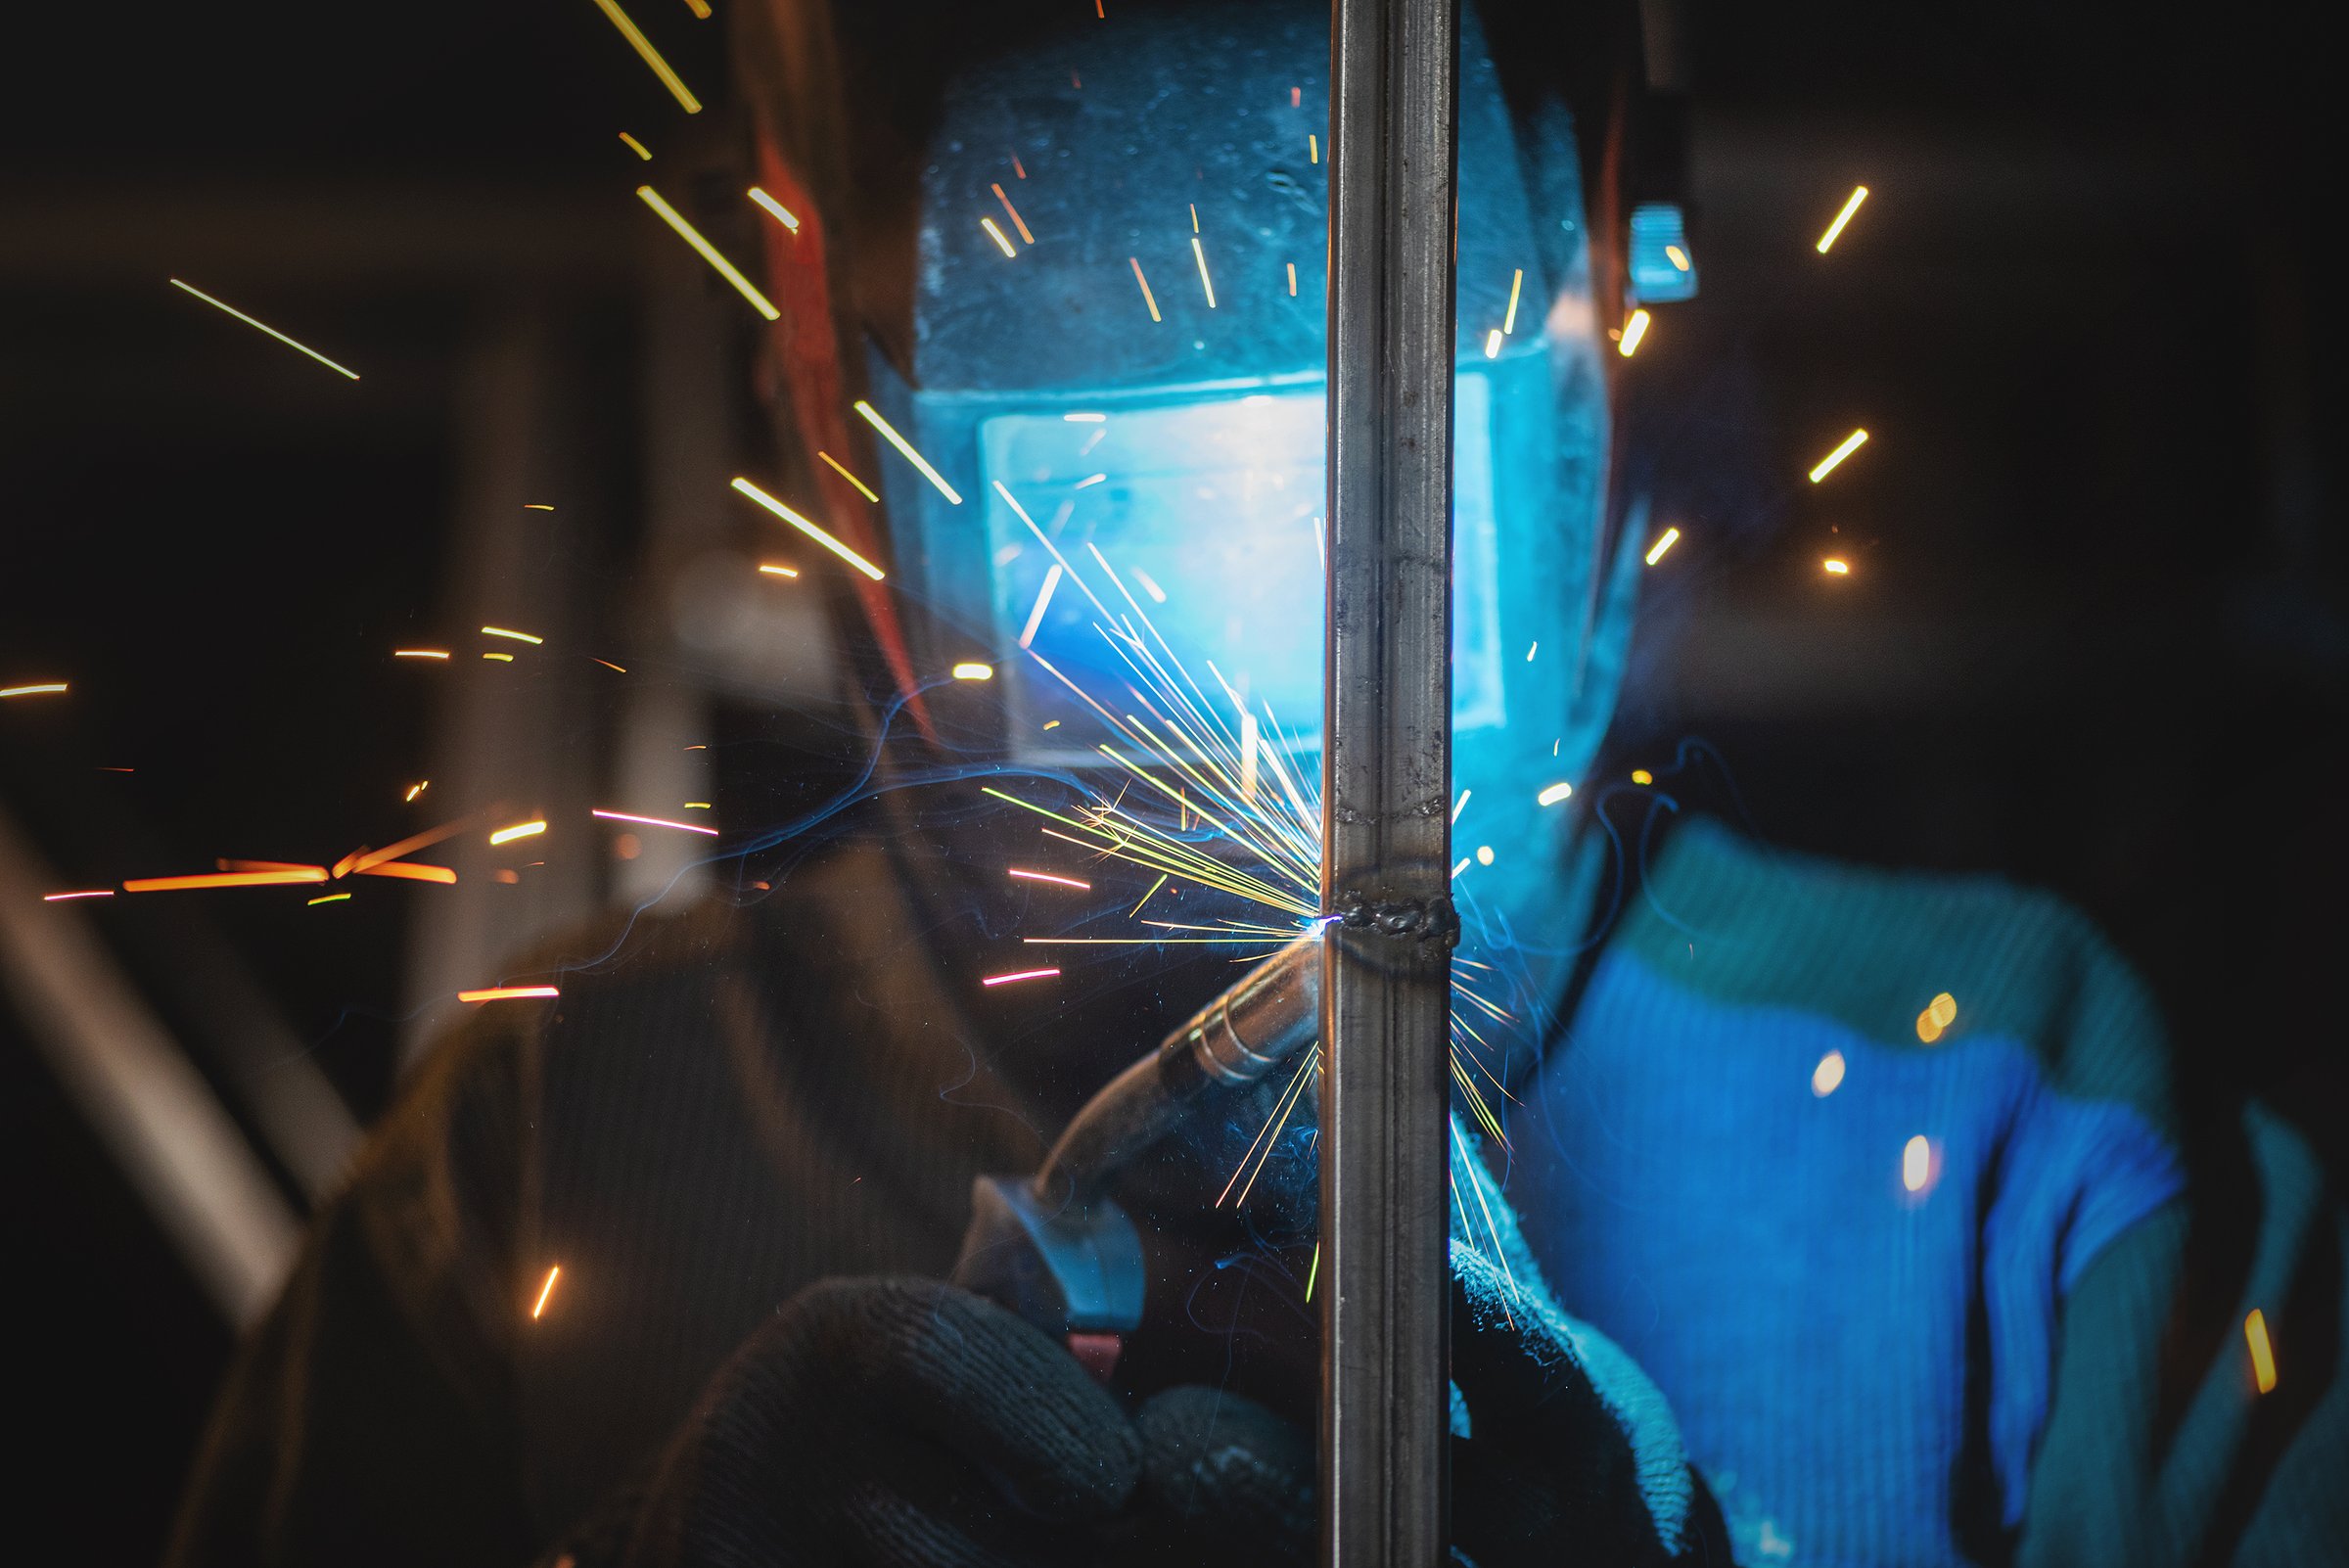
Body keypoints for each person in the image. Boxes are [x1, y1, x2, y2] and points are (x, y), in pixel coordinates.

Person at [168, 1, 2347, 1564]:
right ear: (826, 384)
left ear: (1611, 295)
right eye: (1105, 552)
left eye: (1361, 529)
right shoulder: (556, 1164)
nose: (1249, 756)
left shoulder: (2024, 1144)